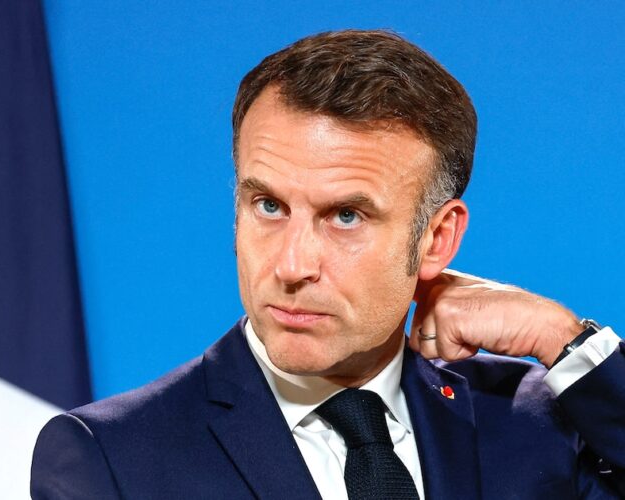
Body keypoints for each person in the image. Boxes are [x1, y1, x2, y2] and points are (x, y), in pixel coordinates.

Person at [31, 30, 625, 499]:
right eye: (268, 205)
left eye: (345, 216)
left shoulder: (540, 422)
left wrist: (563, 339)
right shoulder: (114, 458)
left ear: (437, 239)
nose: (291, 265)